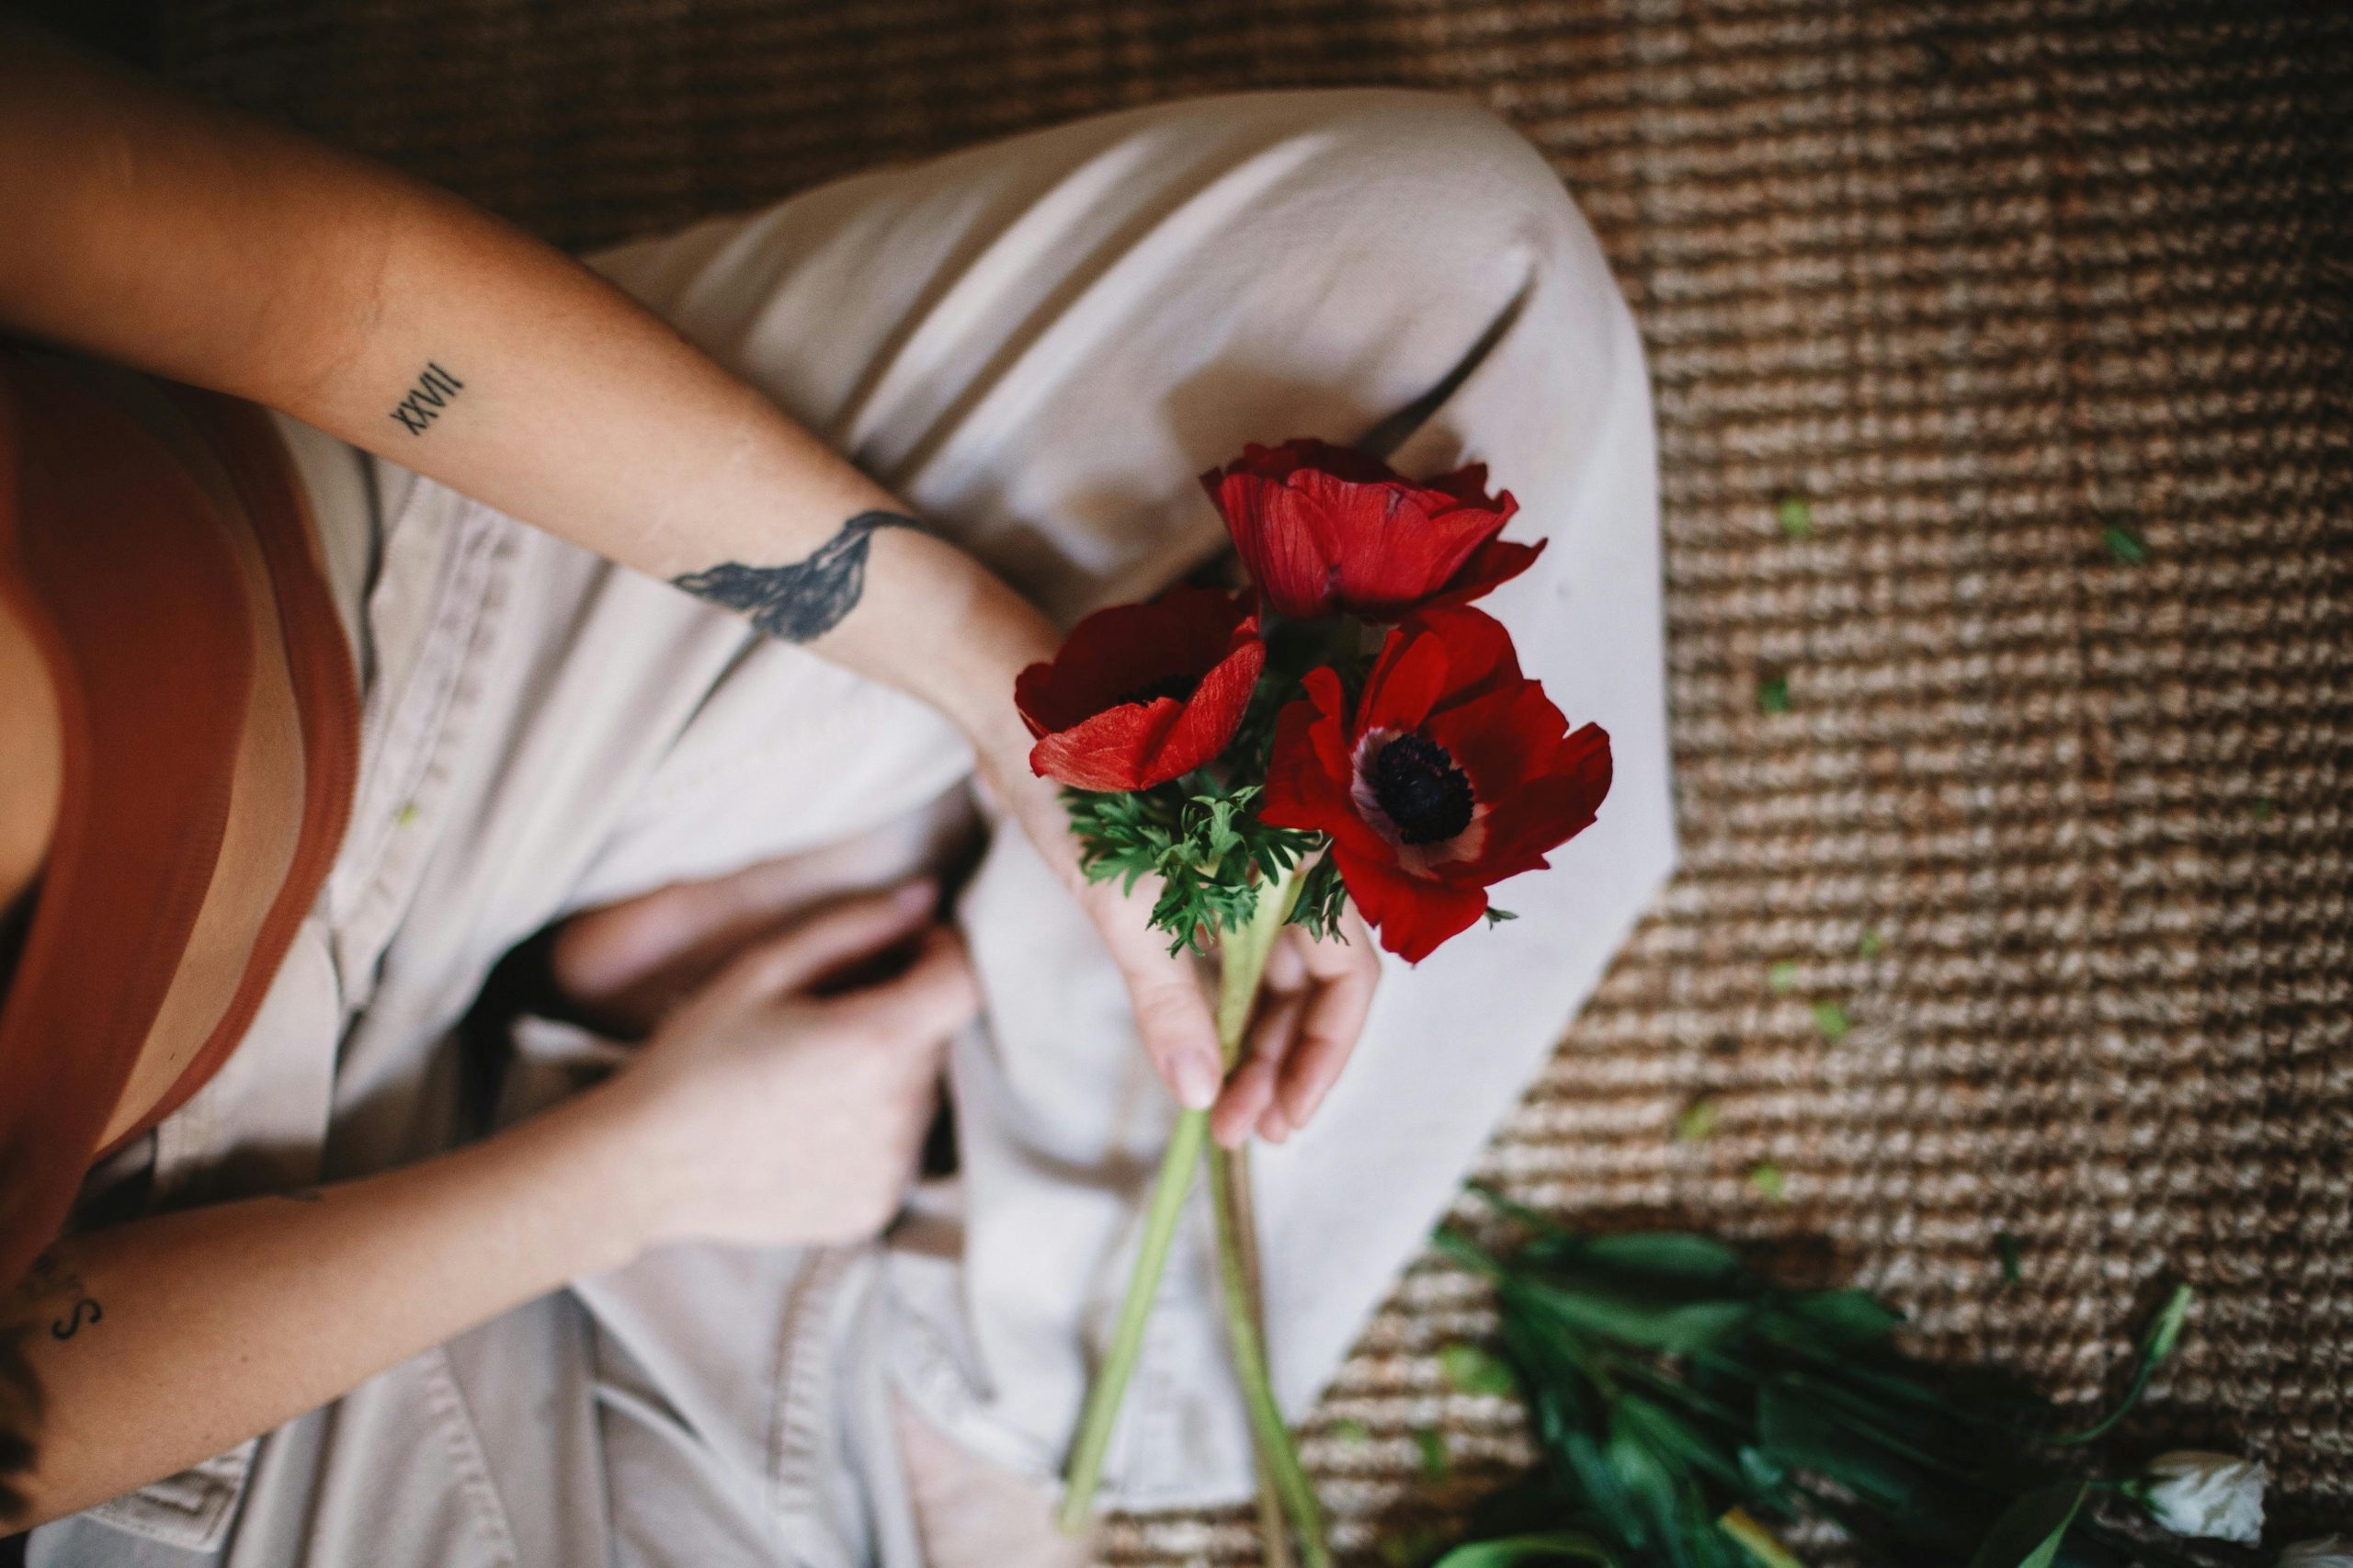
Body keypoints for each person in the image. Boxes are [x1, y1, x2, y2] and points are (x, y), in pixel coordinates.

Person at [0, 15, 1675, 1567]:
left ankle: (843, 1201)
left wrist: (983, 676)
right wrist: (645, 1166)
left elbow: (346, 301)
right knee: (1047, 1384)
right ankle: (841, 1288)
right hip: (177, 1326)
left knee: (1445, 268)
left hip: (395, 604)